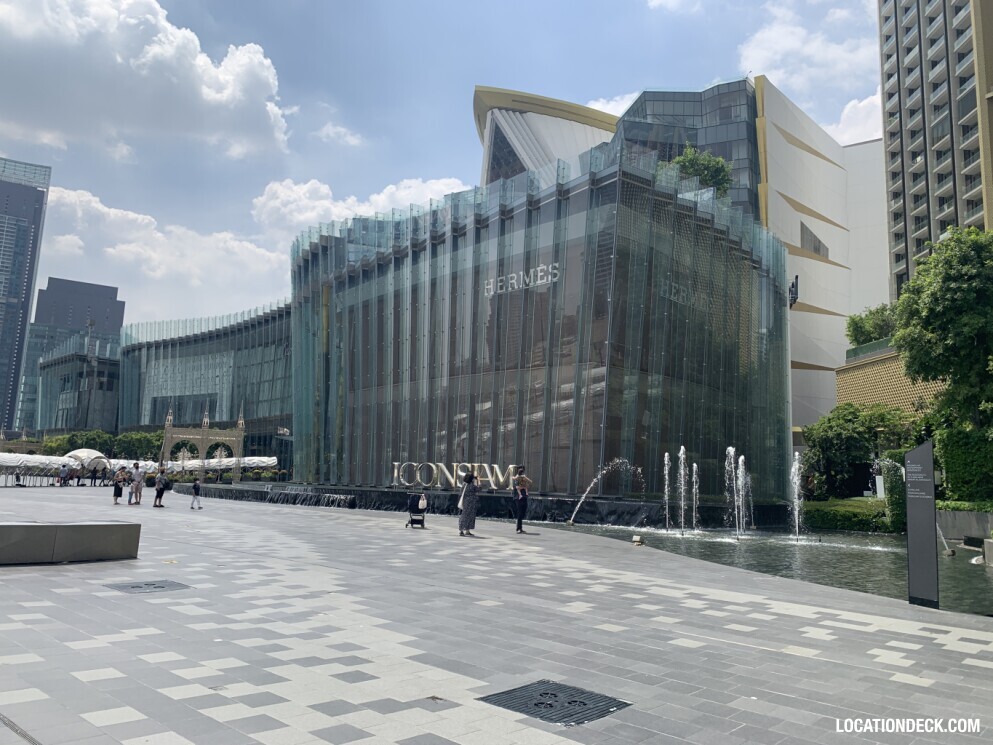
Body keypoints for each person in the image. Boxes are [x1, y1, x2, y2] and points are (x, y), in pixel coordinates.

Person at [512, 466, 533, 534]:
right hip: (518, 497)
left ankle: (520, 526)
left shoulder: (523, 478)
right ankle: (518, 528)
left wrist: (525, 484)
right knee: (520, 512)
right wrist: (524, 487)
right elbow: (517, 487)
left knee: (524, 511)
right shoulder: (516, 478)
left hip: (524, 496)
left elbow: (529, 483)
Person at [458, 472, 480, 537]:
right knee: (470, 516)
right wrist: (479, 481)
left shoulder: (464, 484)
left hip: (465, 501)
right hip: (471, 502)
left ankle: (462, 530)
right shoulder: (472, 485)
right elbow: (479, 489)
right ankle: (467, 530)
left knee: (464, 515)